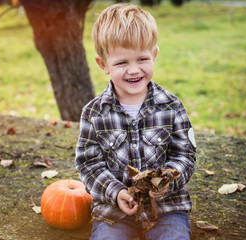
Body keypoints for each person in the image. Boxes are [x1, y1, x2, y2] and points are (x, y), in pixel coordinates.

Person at [75, 3, 196, 240]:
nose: (133, 70)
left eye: (142, 59)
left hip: (166, 209)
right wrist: (116, 192)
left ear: (154, 55)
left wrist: (167, 181)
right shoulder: (94, 113)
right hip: (115, 211)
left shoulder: (172, 108)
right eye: (122, 63)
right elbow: (89, 165)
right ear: (103, 65)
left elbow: (185, 156)